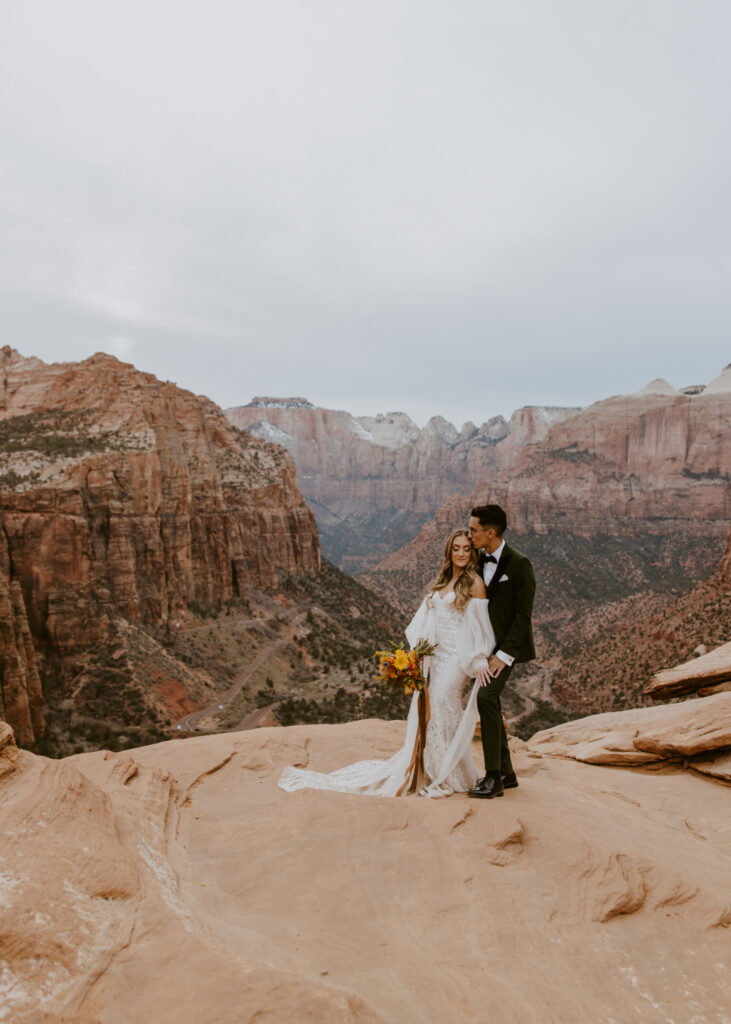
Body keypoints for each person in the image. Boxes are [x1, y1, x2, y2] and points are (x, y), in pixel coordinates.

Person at [278, 529, 495, 798]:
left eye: (466, 548)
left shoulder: (474, 582)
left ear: (473, 553)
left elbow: (480, 627)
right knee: (432, 709)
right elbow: (428, 622)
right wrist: (414, 655)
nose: (461, 553)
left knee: (442, 704)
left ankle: (443, 773)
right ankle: (436, 769)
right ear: (449, 552)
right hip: (435, 658)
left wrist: (479, 658)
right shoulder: (444, 581)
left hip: (457, 659)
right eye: (456, 548)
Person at [467, 504, 536, 800]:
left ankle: (493, 777)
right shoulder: (477, 561)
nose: (470, 536)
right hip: (482, 649)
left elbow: (523, 615)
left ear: (490, 532)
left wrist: (503, 654)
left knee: (485, 697)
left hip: (505, 650)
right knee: (491, 703)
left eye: (473, 530)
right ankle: (507, 774)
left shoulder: (520, 564)